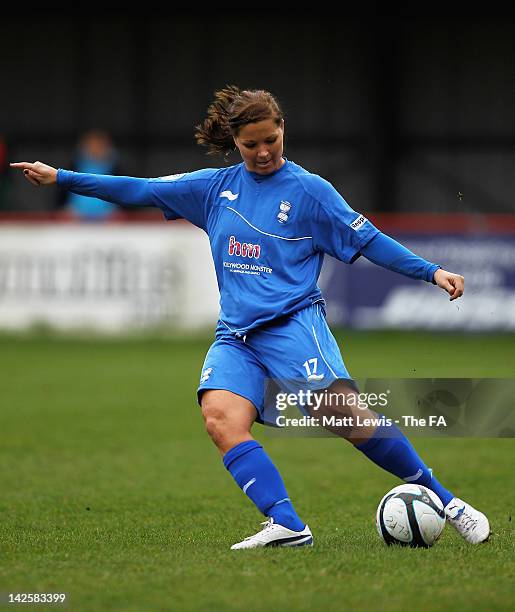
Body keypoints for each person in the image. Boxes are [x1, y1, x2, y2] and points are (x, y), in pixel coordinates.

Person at [10, 85, 490, 549]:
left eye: (271, 140)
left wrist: (431, 272)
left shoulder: (310, 192)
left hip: (293, 325)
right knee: (220, 419)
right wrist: (63, 178)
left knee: (348, 419)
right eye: (250, 144)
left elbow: (368, 241)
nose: (263, 152)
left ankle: (448, 502)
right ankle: (286, 524)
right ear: (234, 142)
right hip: (236, 336)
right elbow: (139, 189)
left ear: (283, 128)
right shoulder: (213, 189)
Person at [55, 129, 121, 221]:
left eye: (99, 146)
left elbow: (124, 190)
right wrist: (63, 209)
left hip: (108, 218)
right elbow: (60, 190)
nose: (95, 149)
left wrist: (119, 212)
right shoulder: (74, 164)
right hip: (75, 217)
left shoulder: (115, 166)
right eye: (91, 145)